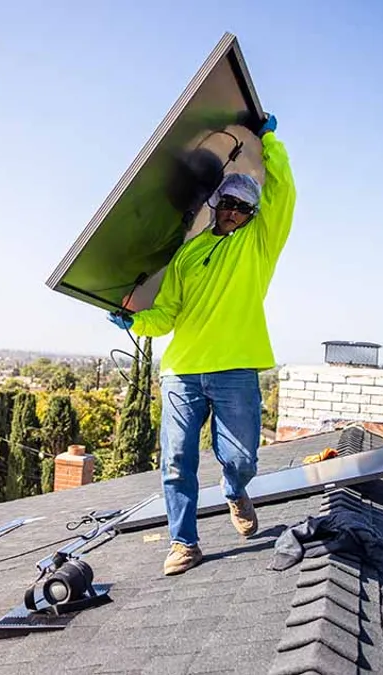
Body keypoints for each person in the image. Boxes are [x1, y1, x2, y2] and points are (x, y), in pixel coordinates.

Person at [108, 113, 295, 576]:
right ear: (215, 204)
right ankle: (183, 543)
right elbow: (166, 315)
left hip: (235, 369)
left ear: (252, 214)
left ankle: (235, 490)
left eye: (242, 207)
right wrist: (133, 320)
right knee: (175, 459)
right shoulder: (188, 254)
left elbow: (283, 193)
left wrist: (269, 140)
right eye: (227, 202)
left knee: (240, 458)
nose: (233, 210)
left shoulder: (258, 244)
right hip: (182, 372)